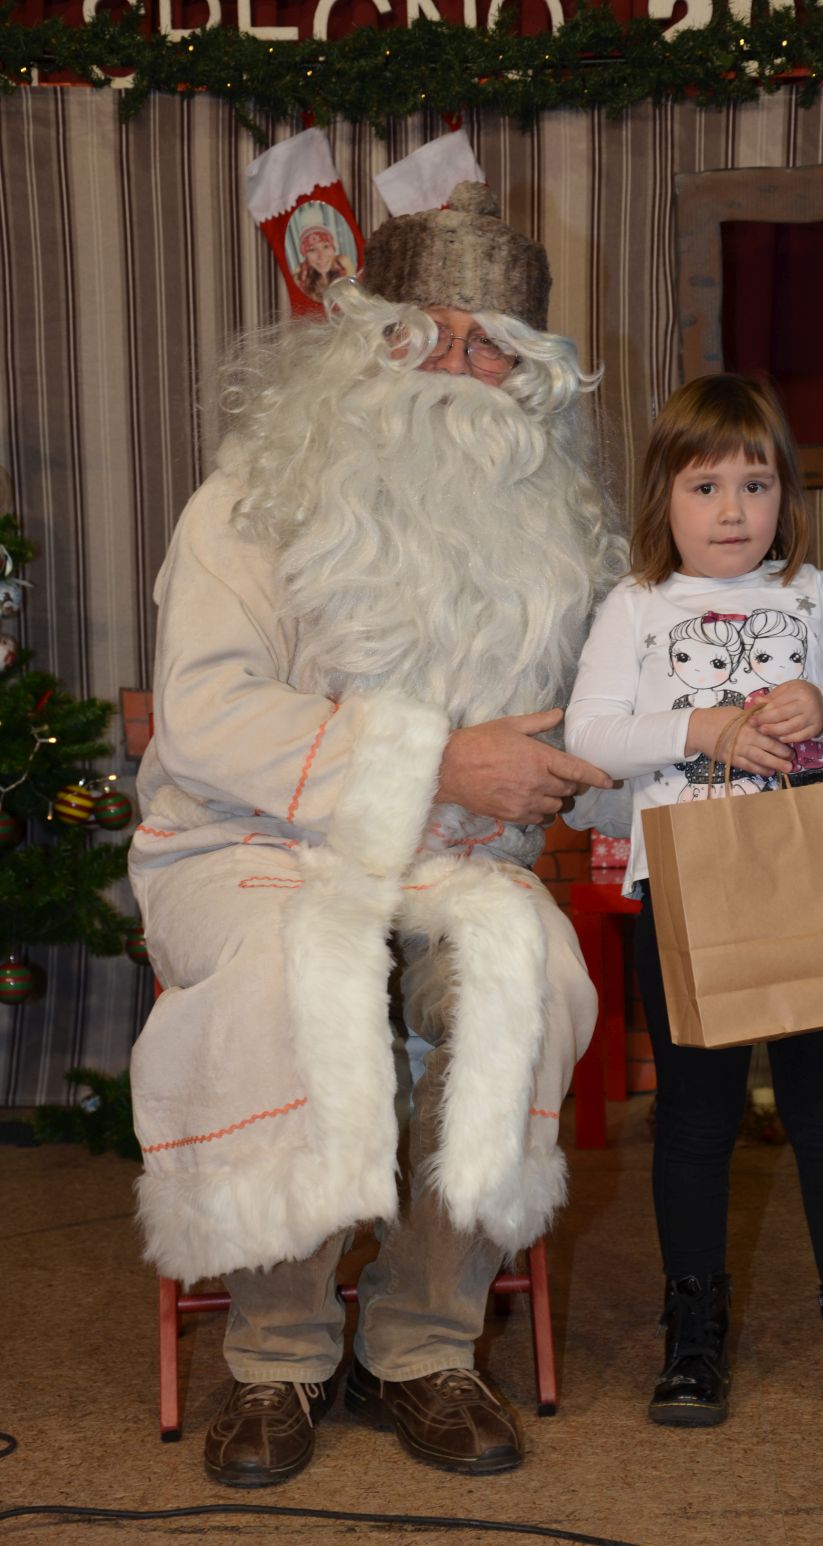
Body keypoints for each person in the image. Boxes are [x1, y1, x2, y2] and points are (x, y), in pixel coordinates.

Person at [128, 179, 626, 1487]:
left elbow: (589, 734)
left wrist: (745, 765)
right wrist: (440, 759)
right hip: (247, 846)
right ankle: (279, 1351)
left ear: (529, 374)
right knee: (308, 966)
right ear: (364, 341)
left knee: (525, 974)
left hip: (456, 863)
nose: (453, 368)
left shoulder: (554, 541)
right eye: (424, 334)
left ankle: (422, 1341)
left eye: (489, 346)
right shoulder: (246, 504)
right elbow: (207, 718)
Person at [564, 373, 823, 1439]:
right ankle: (692, 1331)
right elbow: (590, 737)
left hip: (812, 868)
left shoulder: (812, 595)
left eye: (755, 483)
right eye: (705, 486)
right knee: (696, 1117)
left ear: (784, 493)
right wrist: (701, 728)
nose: (732, 510)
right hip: (685, 880)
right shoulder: (635, 606)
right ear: (663, 497)